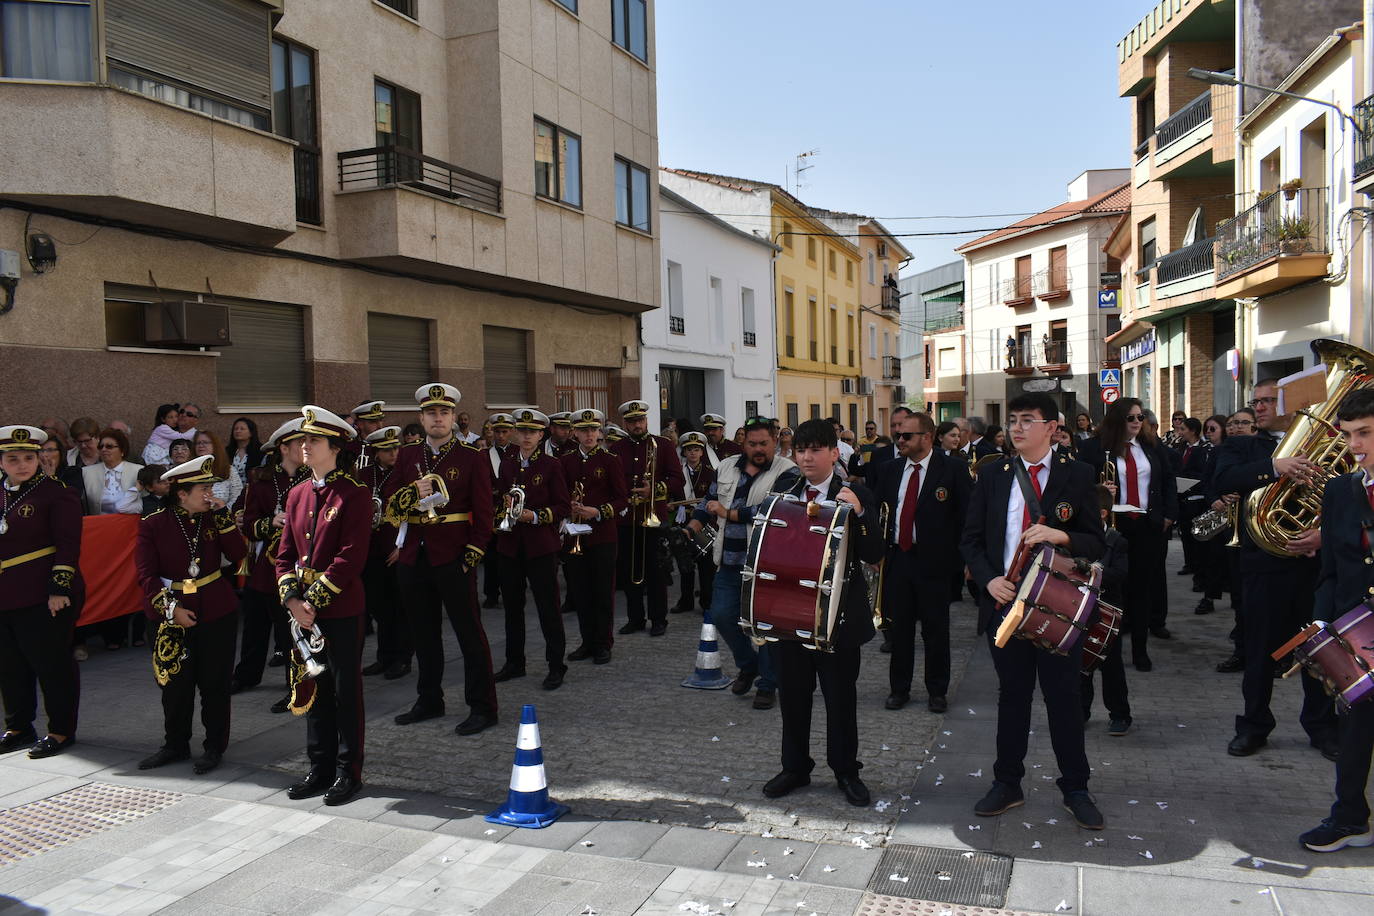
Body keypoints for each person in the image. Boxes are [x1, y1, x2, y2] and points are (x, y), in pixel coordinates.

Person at [960, 392, 1106, 830]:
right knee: (1013, 696)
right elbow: (969, 539)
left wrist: (1062, 537)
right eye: (1013, 420)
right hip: (1006, 602)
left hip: (1057, 605)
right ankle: (1008, 783)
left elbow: (1097, 542)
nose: (1017, 428)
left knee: (1063, 697)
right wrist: (988, 579)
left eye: (1028, 420)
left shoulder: (1077, 474)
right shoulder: (992, 476)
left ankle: (1076, 787)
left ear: (1052, 427)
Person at [1213, 379, 1338, 760]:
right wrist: (1273, 466)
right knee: (1259, 650)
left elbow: (1345, 496)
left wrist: (1323, 534)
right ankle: (1253, 725)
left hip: (1311, 564)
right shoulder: (1243, 445)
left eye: (1270, 400)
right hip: (1263, 564)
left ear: (1295, 403)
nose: (1261, 407)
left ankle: (1320, 726)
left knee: (1317, 649)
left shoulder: (1327, 446)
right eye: (1257, 401)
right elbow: (1222, 479)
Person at [761, 419, 883, 807]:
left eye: (816, 449)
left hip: (839, 617)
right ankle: (795, 767)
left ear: (835, 453)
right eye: (801, 450)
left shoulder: (858, 492)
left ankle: (846, 770)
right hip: (791, 612)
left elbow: (875, 554)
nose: (808, 457)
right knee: (793, 696)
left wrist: (860, 514)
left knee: (840, 699)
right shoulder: (784, 489)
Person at [387, 383, 498, 736]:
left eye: (444, 413)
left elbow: (485, 511)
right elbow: (390, 503)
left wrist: (473, 554)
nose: (438, 418)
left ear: (453, 417)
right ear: (421, 418)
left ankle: (483, 706)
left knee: (469, 634)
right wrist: (409, 493)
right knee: (423, 633)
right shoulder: (406, 456)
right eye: (431, 413)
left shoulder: (472, 456)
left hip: (454, 556)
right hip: (414, 556)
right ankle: (429, 699)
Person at [275, 406, 372, 806]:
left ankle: (349, 771)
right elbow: (284, 556)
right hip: (304, 613)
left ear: (334, 447)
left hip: (341, 607)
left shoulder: (354, 492)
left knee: (345, 691)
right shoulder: (297, 493)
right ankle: (320, 767)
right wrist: (293, 599)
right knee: (313, 685)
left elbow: (352, 556)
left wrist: (313, 599)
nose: (304, 445)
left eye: (313, 440)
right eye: (303, 439)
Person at [134, 455, 246, 774]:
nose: (210, 494)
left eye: (211, 487)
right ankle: (175, 744)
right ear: (181, 493)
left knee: (215, 684)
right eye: (204, 489)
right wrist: (171, 609)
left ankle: (214, 747)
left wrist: (224, 514)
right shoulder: (154, 524)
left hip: (216, 609)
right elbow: (146, 574)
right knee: (175, 685)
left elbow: (238, 555)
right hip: (171, 612)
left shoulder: (215, 519)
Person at [1299, 389, 1374, 852]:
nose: (1355, 445)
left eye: (1365, 432)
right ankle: (1349, 817)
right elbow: (1330, 571)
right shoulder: (1339, 490)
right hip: (1356, 629)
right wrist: (1321, 628)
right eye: (1348, 435)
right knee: (1355, 725)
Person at [687, 418, 798, 709]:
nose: (758, 449)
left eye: (764, 443)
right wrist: (692, 526)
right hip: (728, 560)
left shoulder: (788, 471)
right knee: (722, 615)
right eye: (752, 443)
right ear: (743, 444)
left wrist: (727, 512)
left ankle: (767, 684)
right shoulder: (726, 466)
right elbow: (707, 500)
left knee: (764, 626)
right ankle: (749, 665)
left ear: (774, 441)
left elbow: (773, 509)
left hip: (767, 563)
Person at [875, 410, 971, 713]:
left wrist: (964, 561)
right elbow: (881, 512)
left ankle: (937, 690)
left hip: (935, 562)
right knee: (899, 629)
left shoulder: (952, 469)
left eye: (906, 435)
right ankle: (899, 689)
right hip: (899, 559)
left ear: (927, 437)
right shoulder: (890, 470)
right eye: (898, 435)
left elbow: (966, 517)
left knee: (936, 630)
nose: (900, 440)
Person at [0, 426, 83, 760]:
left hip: (43, 593)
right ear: (2, 462)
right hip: (5, 594)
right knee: (10, 665)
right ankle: (19, 727)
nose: (22, 464)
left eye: (29, 457)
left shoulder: (56, 492)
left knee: (52, 664)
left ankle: (61, 730)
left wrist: (59, 589)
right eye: (13, 458)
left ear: (40, 458)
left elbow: (69, 543)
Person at [230, 419, 309, 706]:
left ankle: (296, 684)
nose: (306, 448)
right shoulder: (261, 480)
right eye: (300, 444)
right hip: (265, 565)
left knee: (289, 629)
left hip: (297, 565)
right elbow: (249, 523)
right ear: (284, 448)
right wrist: (269, 522)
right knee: (254, 623)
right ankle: (247, 674)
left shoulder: (311, 476)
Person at [493, 409, 570, 690]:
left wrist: (535, 516)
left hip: (540, 546)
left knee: (548, 607)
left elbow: (562, 506)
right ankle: (514, 663)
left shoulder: (551, 465)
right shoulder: (507, 463)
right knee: (512, 608)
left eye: (532, 432)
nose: (526, 436)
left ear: (541, 435)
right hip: (510, 545)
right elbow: (501, 496)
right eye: (522, 431)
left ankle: (556, 665)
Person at [1097, 399, 1177, 670]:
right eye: (1130, 417)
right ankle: (1107, 646)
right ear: (1118, 419)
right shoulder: (1098, 448)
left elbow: (1168, 480)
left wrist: (1168, 515)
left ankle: (1140, 651)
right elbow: (1083, 484)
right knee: (1111, 587)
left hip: (1146, 525)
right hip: (1114, 527)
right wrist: (1099, 491)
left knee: (1142, 589)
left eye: (1140, 417)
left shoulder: (1153, 447)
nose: (1136, 422)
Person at [561, 409, 629, 665]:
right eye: (583, 430)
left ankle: (603, 643)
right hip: (574, 535)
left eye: (593, 430)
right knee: (580, 591)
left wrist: (597, 512)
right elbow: (559, 495)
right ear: (575, 432)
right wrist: (568, 507)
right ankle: (586, 641)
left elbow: (622, 499)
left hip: (602, 535)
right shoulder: (565, 461)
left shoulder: (610, 460)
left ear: (599, 432)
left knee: (602, 591)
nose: (589, 435)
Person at [613, 400, 685, 637]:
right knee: (629, 571)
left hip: (655, 518)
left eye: (640, 420)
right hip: (628, 519)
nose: (637, 424)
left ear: (646, 421)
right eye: (632, 421)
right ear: (626, 423)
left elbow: (678, 480)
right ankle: (635, 618)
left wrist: (653, 490)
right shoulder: (617, 448)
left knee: (656, 572)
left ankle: (658, 619)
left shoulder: (662, 445)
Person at [358, 426, 411, 680]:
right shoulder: (364, 474)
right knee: (379, 605)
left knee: (400, 606)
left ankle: (403, 658)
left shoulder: (406, 473)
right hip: (371, 548)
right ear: (375, 452)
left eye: (396, 448)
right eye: (387, 449)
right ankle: (384, 656)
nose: (393, 453)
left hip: (396, 547)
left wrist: (402, 546)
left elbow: (413, 513)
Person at [1080, 484, 1132, 735]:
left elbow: (1121, 573)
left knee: (1112, 667)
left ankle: (1120, 714)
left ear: (1101, 513)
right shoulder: (1077, 538)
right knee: (1081, 664)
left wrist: (1095, 573)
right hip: (1081, 609)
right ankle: (1080, 711)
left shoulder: (1116, 541)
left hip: (1108, 610)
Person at [671, 432, 715, 615]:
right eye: (689, 450)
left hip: (704, 523)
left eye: (697, 450)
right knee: (685, 565)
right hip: (684, 521)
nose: (693, 453)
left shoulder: (711, 473)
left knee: (706, 567)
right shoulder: (677, 473)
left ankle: (707, 602)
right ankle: (686, 600)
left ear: (702, 452)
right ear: (684, 452)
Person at [481, 413, 516, 610]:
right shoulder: (484, 455)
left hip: (513, 509)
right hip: (492, 511)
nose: (501, 435)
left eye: (505, 431)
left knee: (511, 554)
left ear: (511, 432)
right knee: (492, 556)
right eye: (497, 431)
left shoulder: (519, 452)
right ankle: (491, 593)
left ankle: (512, 589)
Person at [82, 428, 143, 517]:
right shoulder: (86, 472)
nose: (104, 449)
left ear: (122, 451)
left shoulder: (138, 471)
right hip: (99, 525)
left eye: (109, 446)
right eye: (101, 446)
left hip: (130, 526)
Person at [194, 430, 243, 511]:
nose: (201, 445)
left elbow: (237, 497)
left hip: (222, 517)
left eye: (205, 442)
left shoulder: (229, 470)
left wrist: (223, 511)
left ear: (215, 445)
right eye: (198, 443)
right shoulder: (189, 470)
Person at [228, 417, 264, 488]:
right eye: (236, 429)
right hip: (230, 490)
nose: (238, 431)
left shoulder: (260, 451)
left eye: (242, 429)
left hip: (251, 490)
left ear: (251, 433)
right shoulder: (228, 451)